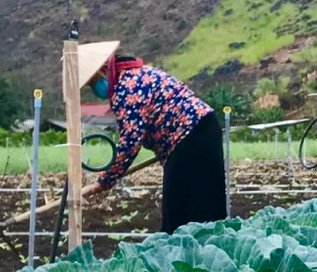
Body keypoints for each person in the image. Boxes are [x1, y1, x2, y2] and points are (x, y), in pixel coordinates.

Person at [79, 45, 227, 232]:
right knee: (200, 209)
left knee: (182, 215)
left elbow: (130, 141)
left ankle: (192, 257)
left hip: (191, 138)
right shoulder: (139, 74)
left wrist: (105, 181)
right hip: (200, 132)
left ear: (103, 71)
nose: (95, 89)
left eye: (93, 84)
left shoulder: (126, 88)